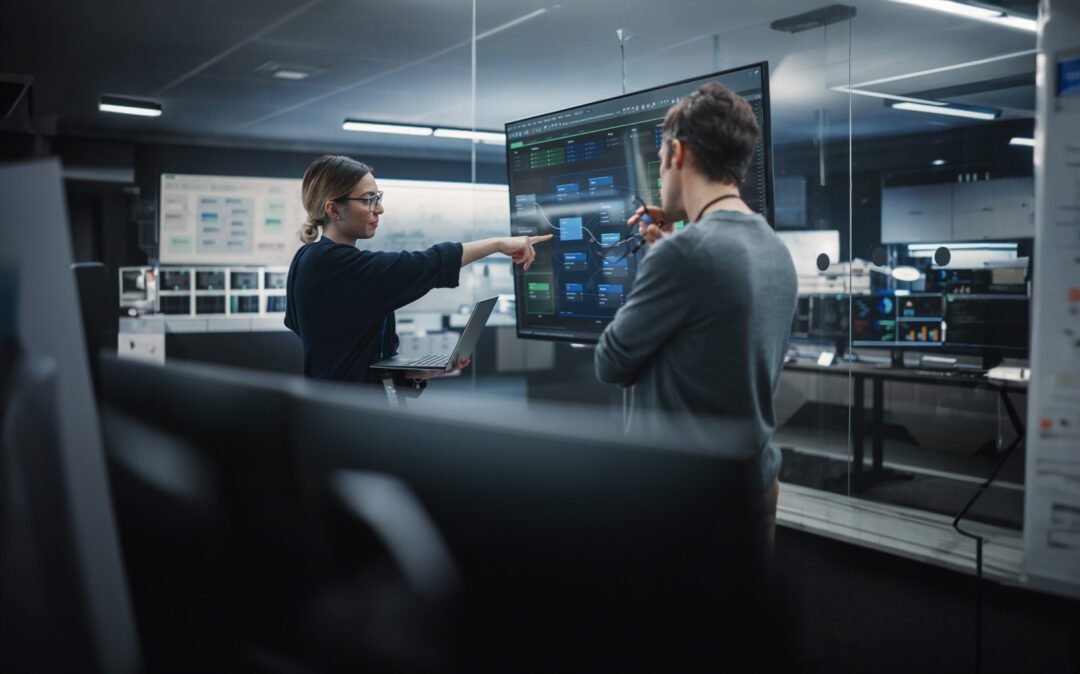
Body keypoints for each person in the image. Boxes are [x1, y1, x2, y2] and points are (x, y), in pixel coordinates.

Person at [593, 83, 797, 535]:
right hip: (753, 488)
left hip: (682, 501)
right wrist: (679, 235)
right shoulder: (774, 249)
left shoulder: (680, 256)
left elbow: (609, 363)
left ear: (678, 154)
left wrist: (662, 256)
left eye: (660, 161)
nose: (661, 174)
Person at [285, 154, 551, 389]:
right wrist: (497, 244)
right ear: (333, 209)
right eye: (368, 200)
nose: (379, 209)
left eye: (378, 198)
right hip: (345, 414)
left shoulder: (310, 258)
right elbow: (426, 264)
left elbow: (342, 346)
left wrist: (411, 373)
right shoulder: (330, 263)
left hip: (353, 407)